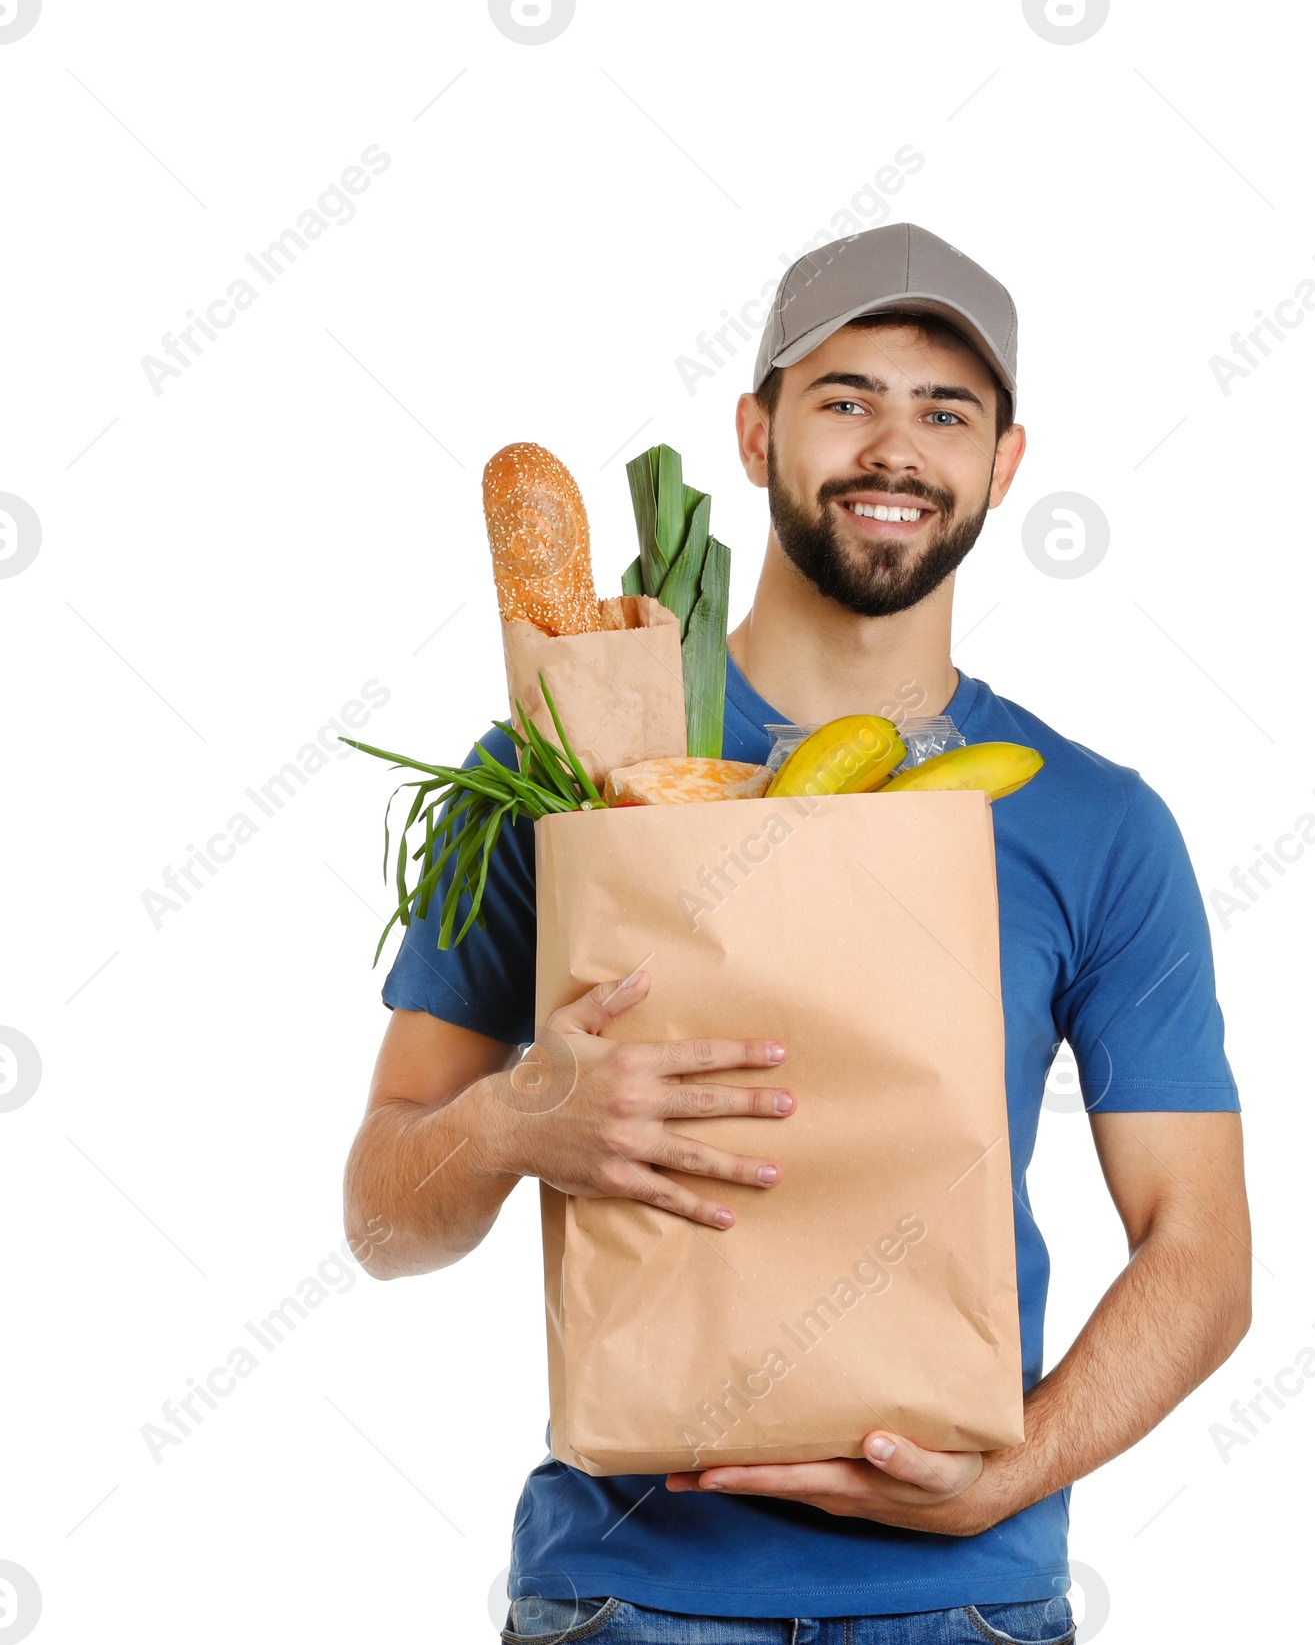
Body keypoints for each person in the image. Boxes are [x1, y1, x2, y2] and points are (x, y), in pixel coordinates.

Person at [345, 222, 1251, 1645]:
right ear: (758, 432)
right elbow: (381, 1214)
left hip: (971, 1604)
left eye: (947, 411)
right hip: (623, 1597)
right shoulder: (555, 769)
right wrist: (523, 1120)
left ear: (1005, 466)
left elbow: (1201, 1257)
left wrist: (1012, 1471)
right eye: (847, 399)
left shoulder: (1098, 823)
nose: (897, 447)